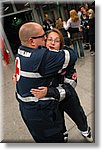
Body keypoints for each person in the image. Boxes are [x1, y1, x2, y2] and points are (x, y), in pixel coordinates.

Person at [15, 22, 77, 143]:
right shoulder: (42, 57)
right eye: (43, 37)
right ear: (32, 41)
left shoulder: (21, 51)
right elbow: (72, 55)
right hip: (42, 115)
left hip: (27, 110)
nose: (46, 40)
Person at [31, 28, 93, 142]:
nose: (52, 43)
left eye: (56, 40)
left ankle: (85, 129)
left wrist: (51, 91)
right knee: (58, 119)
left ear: (61, 45)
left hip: (68, 97)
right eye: (49, 39)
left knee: (78, 115)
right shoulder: (41, 60)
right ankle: (63, 133)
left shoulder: (67, 60)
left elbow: (71, 85)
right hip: (52, 100)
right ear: (44, 42)